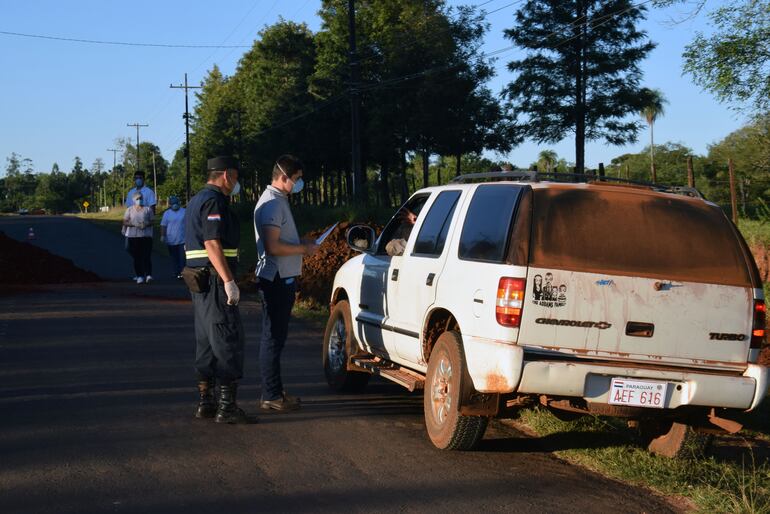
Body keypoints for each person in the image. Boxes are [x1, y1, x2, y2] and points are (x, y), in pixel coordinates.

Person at [184, 156, 250, 424]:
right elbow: (212, 242)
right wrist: (228, 280)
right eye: (235, 177)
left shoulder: (196, 200)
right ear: (226, 175)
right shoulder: (214, 201)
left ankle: (206, 402)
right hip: (213, 281)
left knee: (206, 341)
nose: (236, 183)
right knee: (226, 338)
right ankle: (227, 407)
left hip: (199, 281)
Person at [253, 154, 318, 412]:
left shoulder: (278, 200)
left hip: (281, 278)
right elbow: (272, 246)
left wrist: (301, 241)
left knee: (276, 338)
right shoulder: (272, 204)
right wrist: (304, 249)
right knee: (272, 338)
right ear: (283, 177)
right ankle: (270, 394)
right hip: (276, 279)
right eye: (297, 179)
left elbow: (280, 238)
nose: (299, 184)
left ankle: (275, 390)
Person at [125, 171, 157, 280]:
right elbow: (128, 210)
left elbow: (152, 209)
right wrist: (129, 223)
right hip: (133, 229)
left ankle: (146, 274)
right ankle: (140, 270)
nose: (138, 179)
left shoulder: (149, 192)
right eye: (136, 178)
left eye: (140, 178)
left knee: (146, 252)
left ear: (144, 179)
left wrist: (147, 222)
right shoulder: (131, 193)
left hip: (145, 226)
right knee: (130, 249)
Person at [122, 192, 154, 284]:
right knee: (137, 257)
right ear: (133, 200)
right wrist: (133, 224)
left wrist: (146, 224)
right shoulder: (129, 210)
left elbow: (152, 221)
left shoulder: (148, 209)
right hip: (133, 236)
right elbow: (124, 222)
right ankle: (139, 276)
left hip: (146, 236)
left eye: (141, 198)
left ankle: (148, 275)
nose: (139, 200)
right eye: (137, 198)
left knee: (147, 256)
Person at [161, 196, 186, 279]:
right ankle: (176, 272)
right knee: (174, 257)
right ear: (170, 204)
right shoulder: (167, 213)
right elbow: (163, 225)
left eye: (176, 203)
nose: (174, 205)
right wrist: (163, 236)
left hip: (183, 239)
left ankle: (182, 273)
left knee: (182, 257)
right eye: (173, 204)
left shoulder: (184, 212)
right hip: (171, 239)